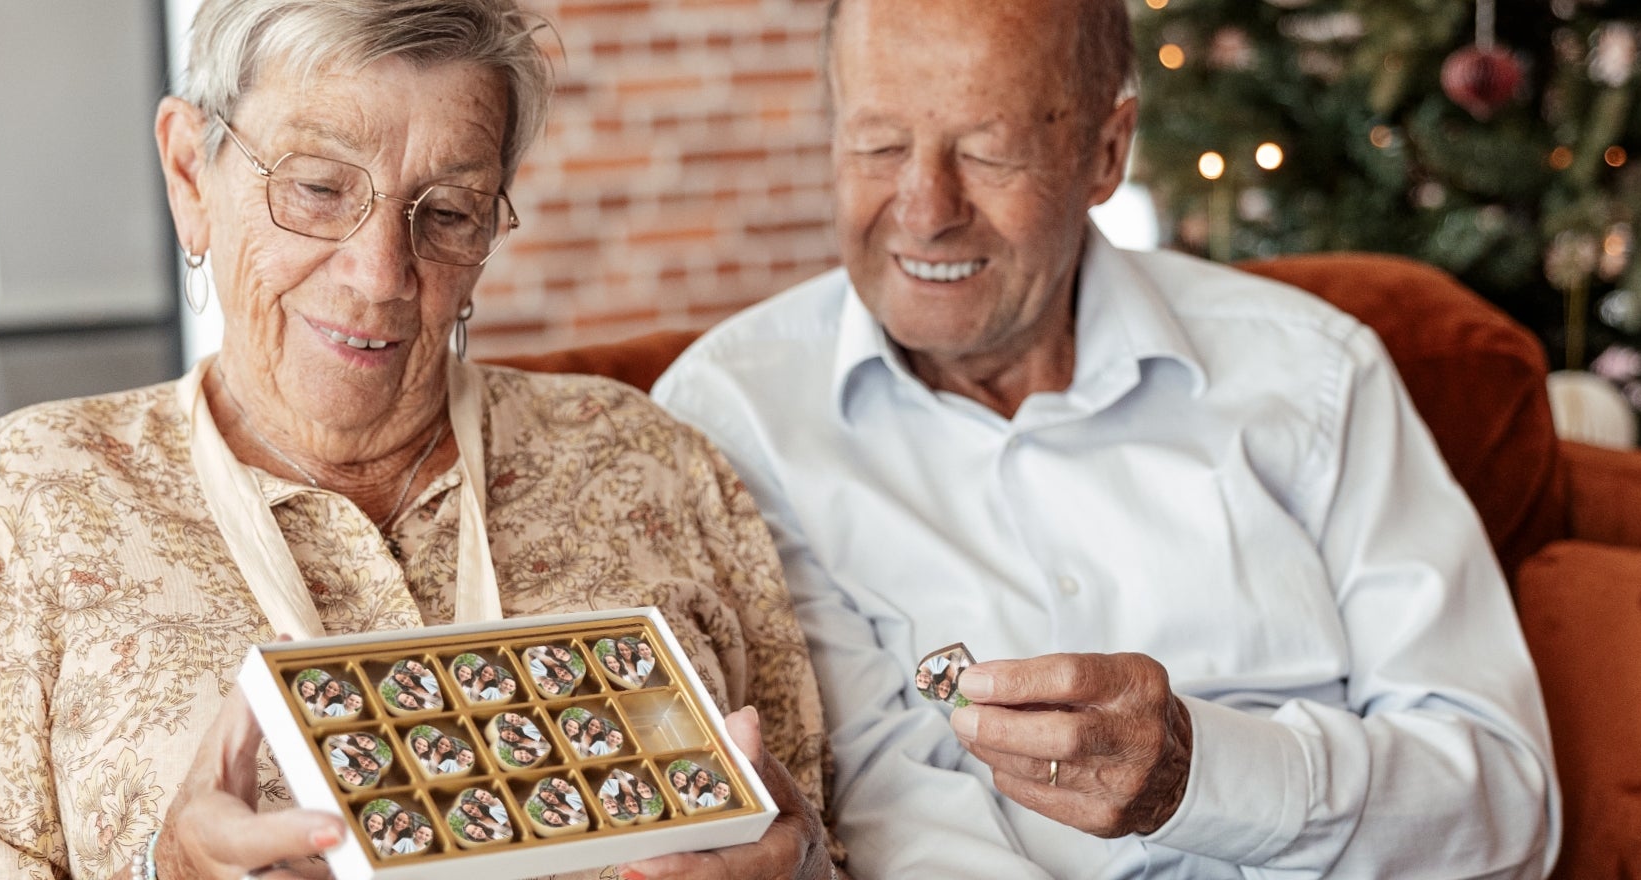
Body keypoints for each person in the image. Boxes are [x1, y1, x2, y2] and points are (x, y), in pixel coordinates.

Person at [0, 1, 835, 877]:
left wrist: (795, 865)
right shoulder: (25, 497)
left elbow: (817, 835)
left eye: (448, 212)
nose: (380, 275)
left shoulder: (650, 460)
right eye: (320, 188)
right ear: (188, 174)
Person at [649, 0, 1560, 875]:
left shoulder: (1317, 375)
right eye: (878, 145)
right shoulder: (733, 417)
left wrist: (1201, 774)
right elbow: (877, 805)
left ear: (1106, 152)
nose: (925, 209)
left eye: (990, 151)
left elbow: (1507, 803)